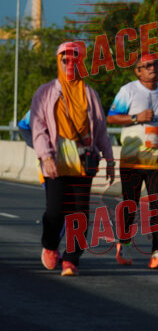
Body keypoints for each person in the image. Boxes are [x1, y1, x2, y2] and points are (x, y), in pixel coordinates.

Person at [31, 41, 115, 276]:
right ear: (58, 62)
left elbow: (101, 130)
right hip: (56, 160)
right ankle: (50, 246)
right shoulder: (45, 92)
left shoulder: (89, 93)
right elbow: (38, 128)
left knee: (79, 214)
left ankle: (71, 259)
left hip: (83, 160)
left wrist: (109, 160)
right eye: (65, 60)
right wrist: (46, 157)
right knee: (55, 212)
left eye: (74, 60)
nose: (70, 64)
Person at [107, 55, 158, 269]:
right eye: (147, 65)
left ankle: (157, 252)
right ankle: (124, 243)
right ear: (138, 71)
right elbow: (111, 117)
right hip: (133, 159)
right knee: (130, 205)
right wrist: (136, 118)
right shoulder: (128, 91)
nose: (153, 68)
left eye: (156, 64)